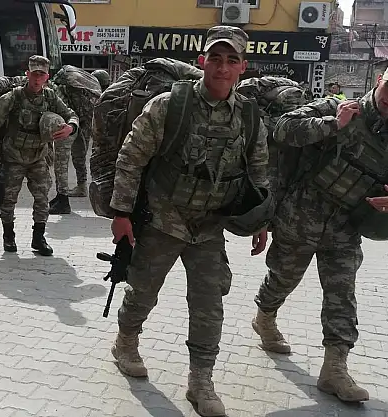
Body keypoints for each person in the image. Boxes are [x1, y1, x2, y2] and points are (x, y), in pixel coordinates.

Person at [252, 57, 388, 402]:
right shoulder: (335, 107)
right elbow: (282, 129)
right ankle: (265, 316)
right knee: (282, 279)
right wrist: (331, 124)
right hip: (300, 215)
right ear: (379, 80)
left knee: (341, 294)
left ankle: (335, 368)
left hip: (345, 228)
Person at [109, 26, 269, 417]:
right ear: (202, 61)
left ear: (242, 67)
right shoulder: (170, 105)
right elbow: (131, 157)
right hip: (163, 219)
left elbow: (259, 172)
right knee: (143, 290)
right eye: (215, 58)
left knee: (209, 305)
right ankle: (126, 342)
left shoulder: (249, 116)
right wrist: (122, 214)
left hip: (210, 226)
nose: (222, 67)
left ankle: (201, 381)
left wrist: (260, 220)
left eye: (231, 60)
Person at [0, 55, 79, 256]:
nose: (37, 78)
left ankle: (38, 237)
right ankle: (8, 235)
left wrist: (71, 127)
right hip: (13, 156)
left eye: (41, 75)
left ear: (47, 77)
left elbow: (71, 114)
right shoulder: (13, 97)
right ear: (27, 74)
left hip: (38, 156)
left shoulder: (50, 97)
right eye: (34, 74)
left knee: (42, 198)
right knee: (8, 199)